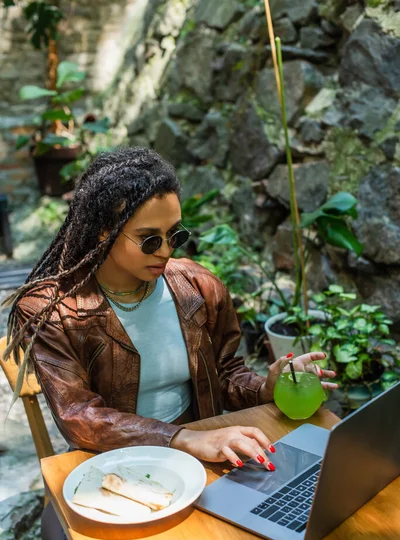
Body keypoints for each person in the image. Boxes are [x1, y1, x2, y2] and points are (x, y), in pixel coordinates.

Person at [4, 147, 337, 471]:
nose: (164, 251)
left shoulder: (198, 287)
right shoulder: (52, 311)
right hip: (113, 463)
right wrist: (182, 438)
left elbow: (224, 374)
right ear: (104, 232)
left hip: (201, 452)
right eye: (149, 239)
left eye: (174, 235)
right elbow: (80, 417)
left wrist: (265, 387)